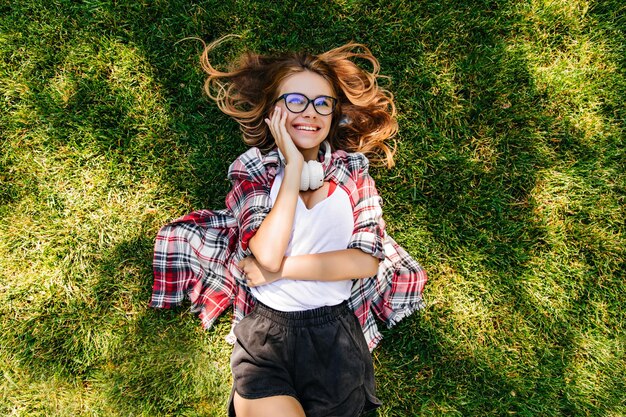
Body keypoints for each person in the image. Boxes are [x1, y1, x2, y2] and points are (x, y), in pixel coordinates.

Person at [150, 35, 428, 417]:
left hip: (337, 338)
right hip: (265, 335)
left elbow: (364, 261)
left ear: (333, 114)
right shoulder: (255, 170)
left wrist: (280, 270)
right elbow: (264, 250)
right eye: (295, 101)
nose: (310, 112)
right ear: (273, 113)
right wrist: (293, 168)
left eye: (322, 103)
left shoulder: (353, 173)